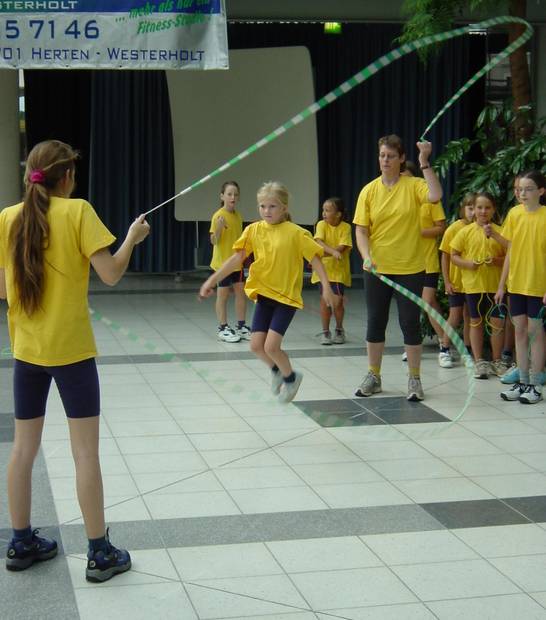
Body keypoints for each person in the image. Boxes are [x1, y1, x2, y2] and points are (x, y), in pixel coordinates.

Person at [0, 140, 150, 581]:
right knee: (85, 453)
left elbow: (5, 292)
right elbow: (111, 274)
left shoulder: (8, 218)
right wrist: (131, 239)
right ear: (66, 177)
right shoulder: (78, 211)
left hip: (27, 352)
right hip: (73, 355)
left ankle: (21, 540)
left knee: (23, 450)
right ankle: (99, 553)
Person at [200, 181, 335, 403]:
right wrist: (212, 279)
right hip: (264, 296)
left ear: (284, 208)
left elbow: (316, 259)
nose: (266, 211)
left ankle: (291, 378)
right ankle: (276, 371)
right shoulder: (253, 230)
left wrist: (327, 288)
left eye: (272, 206)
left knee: (272, 346)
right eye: (262, 206)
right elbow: (235, 259)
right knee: (256, 346)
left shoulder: (296, 233)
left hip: (286, 298)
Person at [353, 135, 443, 401]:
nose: (385, 160)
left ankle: (414, 379)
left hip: (410, 268)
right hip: (377, 268)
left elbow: (435, 195)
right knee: (375, 322)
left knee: (409, 324)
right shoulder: (368, 191)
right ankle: (373, 375)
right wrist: (366, 255)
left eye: (391, 156)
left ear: (402, 158)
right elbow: (361, 230)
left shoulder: (414, 185)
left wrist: (424, 162)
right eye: (382, 155)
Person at [495, 170, 546, 404]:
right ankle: (523, 381)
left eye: (528, 189)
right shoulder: (514, 214)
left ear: (541, 191)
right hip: (517, 284)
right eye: (520, 189)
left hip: (537, 286)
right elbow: (510, 251)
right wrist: (502, 285)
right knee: (520, 331)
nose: (523, 194)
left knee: (536, 332)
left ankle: (535, 385)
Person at [450, 192, 506, 379]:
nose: (483, 211)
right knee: (476, 322)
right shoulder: (464, 232)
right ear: (473, 210)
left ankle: (497, 361)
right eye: (479, 207)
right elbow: (453, 255)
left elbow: (511, 256)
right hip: (473, 286)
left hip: (495, 286)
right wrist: (468, 264)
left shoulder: (501, 231)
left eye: (487, 207)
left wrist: (497, 261)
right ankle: (479, 360)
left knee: (497, 323)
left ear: (494, 210)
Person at [402, 162, 447, 365]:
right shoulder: (397, 201)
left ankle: (444, 346)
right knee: (411, 305)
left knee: (427, 302)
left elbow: (441, 227)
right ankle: (412, 344)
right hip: (404, 261)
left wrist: (417, 232)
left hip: (427, 261)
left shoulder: (430, 199)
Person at [209, 181, 251, 343]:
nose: (233, 197)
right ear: (222, 196)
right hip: (222, 264)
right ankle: (223, 327)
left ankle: (241, 326)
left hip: (237, 263)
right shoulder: (218, 216)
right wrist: (219, 227)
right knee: (223, 295)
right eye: (229, 194)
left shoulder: (238, 215)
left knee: (241, 293)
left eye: (235, 194)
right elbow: (214, 240)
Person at [438, 193, 476, 365]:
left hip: (473, 283)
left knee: (470, 316)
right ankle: (444, 348)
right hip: (456, 281)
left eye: (476, 208)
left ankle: (467, 350)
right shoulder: (454, 228)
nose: (474, 212)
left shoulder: (482, 229)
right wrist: (447, 281)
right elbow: (445, 256)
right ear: (463, 209)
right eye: (470, 208)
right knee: (455, 315)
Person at [311, 197, 352, 345]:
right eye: (323, 210)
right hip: (323, 271)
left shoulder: (346, 227)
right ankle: (325, 332)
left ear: (338, 214)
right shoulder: (321, 225)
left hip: (339, 271)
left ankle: (339, 329)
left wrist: (329, 252)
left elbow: (343, 247)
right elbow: (318, 242)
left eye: (328, 210)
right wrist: (332, 252)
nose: (324, 213)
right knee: (325, 302)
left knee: (338, 303)